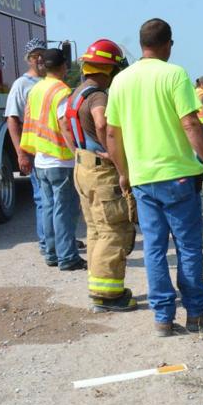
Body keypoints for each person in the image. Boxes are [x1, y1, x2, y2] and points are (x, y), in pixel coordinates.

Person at [105, 18, 203, 337]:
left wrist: (124, 174)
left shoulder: (121, 81)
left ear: (143, 44)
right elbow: (191, 125)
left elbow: (112, 134)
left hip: (143, 179)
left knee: (154, 248)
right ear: (168, 44)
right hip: (179, 177)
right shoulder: (175, 74)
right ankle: (196, 315)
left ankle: (163, 319)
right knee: (188, 246)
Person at [64, 39, 137, 312]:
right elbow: (102, 123)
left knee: (95, 229)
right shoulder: (98, 96)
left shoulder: (76, 93)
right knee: (113, 230)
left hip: (82, 167)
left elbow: (64, 124)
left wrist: (78, 151)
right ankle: (110, 296)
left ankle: (98, 289)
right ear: (110, 69)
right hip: (102, 173)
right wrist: (115, 157)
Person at [20, 48, 84, 271]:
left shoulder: (36, 89)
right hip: (60, 158)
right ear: (64, 66)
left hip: (41, 158)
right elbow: (65, 125)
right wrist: (77, 152)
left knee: (48, 207)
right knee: (64, 209)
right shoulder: (61, 91)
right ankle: (67, 257)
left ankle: (51, 252)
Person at [4, 38, 48, 255]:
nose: (39, 59)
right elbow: (12, 119)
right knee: (42, 198)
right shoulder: (21, 85)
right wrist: (21, 153)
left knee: (59, 199)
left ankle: (60, 239)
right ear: (28, 60)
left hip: (55, 150)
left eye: (42, 54)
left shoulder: (52, 80)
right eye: (34, 56)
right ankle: (46, 243)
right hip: (34, 151)